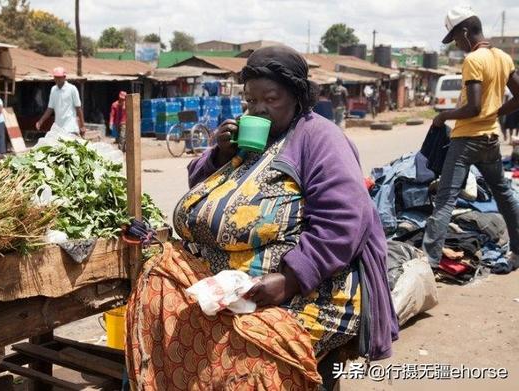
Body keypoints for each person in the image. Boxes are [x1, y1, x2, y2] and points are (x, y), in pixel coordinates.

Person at [125, 46, 398, 390]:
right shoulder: (251, 137)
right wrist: (220, 154)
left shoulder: (319, 137)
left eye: (271, 99)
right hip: (238, 283)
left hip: (314, 287)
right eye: (251, 101)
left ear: (297, 97)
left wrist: (290, 279)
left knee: (244, 358)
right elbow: (205, 190)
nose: (259, 109)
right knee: (159, 305)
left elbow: (344, 218)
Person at [424, 6, 519, 269]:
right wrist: (499, 111)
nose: (457, 44)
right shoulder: (502, 57)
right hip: (490, 139)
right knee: (504, 195)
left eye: (456, 38)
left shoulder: (474, 60)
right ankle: (518, 252)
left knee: (445, 199)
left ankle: (429, 263)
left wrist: (444, 116)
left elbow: (474, 107)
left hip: (466, 140)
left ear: (466, 32)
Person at [36, 67, 85, 136]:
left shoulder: (72, 89)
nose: (57, 79)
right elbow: (50, 108)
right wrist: (41, 121)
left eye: (59, 77)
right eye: (56, 77)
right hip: (58, 128)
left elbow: (78, 108)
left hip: (70, 127)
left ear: (64, 77)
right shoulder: (53, 90)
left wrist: (82, 125)